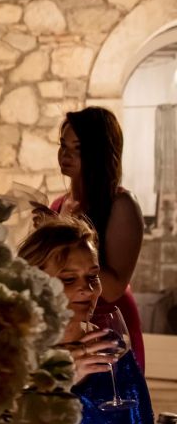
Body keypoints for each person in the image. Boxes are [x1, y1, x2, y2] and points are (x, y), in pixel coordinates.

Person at [0, 217, 154, 424]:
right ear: (34, 284)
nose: (87, 289)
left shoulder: (114, 353)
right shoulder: (5, 356)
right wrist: (56, 384)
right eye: (68, 279)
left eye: (93, 276)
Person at [52, 107, 146, 371]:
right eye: (63, 145)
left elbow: (114, 288)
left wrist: (61, 237)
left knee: (112, 392)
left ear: (100, 153)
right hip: (71, 325)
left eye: (78, 148)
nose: (65, 154)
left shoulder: (121, 204)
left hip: (109, 322)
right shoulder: (58, 204)